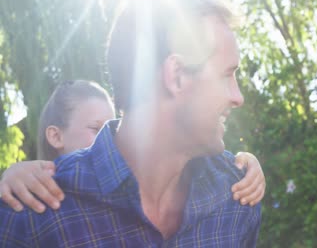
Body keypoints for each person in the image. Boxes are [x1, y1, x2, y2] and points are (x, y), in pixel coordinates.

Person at [0, 0, 261, 247]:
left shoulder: (237, 197)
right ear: (177, 75)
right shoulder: (31, 217)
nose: (238, 97)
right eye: (227, 74)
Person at [0, 80, 265, 213]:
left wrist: (243, 162)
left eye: (114, 127)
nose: (110, 138)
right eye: (96, 129)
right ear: (55, 137)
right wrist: (9, 177)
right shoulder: (29, 194)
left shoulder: (134, 188)